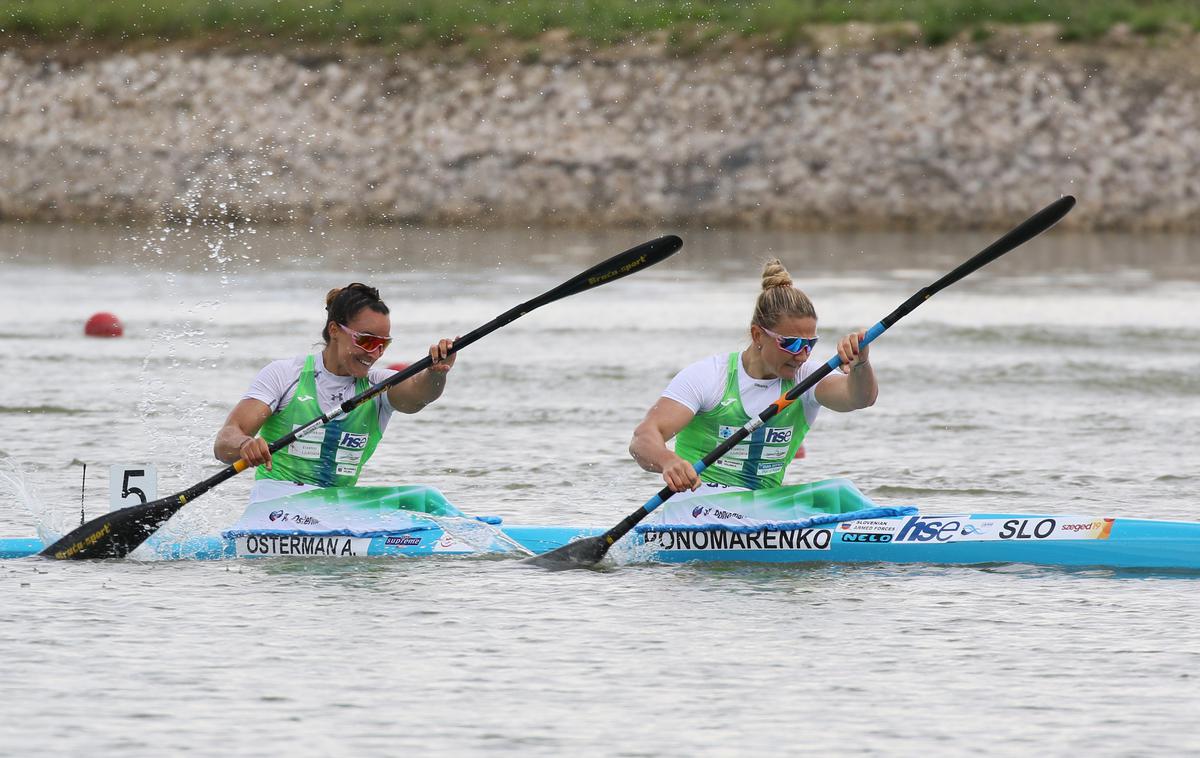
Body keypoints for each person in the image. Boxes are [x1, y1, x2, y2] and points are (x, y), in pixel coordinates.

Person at [630, 259, 877, 498]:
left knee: (839, 492)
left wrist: (861, 365)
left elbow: (860, 398)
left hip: (761, 509)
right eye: (791, 343)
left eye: (810, 344)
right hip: (696, 506)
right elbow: (643, 439)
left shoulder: (807, 378)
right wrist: (668, 461)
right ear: (758, 335)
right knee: (836, 494)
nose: (802, 355)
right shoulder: (708, 377)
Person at [214, 282, 456, 504]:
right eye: (367, 341)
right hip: (275, 505)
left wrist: (436, 373)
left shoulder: (378, 385)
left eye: (384, 344)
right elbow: (224, 442)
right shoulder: (284, 375)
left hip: (337, 506)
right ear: (334, 330)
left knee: (427, 498)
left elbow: (417, 397)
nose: (375, 353)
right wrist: (245, 444)